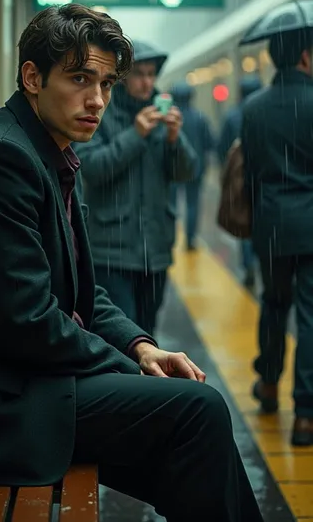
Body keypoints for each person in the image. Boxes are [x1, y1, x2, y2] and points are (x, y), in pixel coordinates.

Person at [0, 5, 263, 521]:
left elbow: (83, 294)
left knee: (191, 433)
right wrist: (128, 369)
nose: (96, 99)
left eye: (105, 83)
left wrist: (141, 347)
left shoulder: (43, 152)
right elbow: (27, 324)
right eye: (79, 79)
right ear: (32, 77)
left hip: (25, 384)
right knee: (198, 412)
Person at [75, 40, 197, 334]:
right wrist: (136, 134)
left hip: (155, 248)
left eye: (151, 74)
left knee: (148, 329)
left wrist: (174, 139)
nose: (147, 82)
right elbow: (92, 168)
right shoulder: (100, 112)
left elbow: (186, 172)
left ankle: (143, 380)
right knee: (122, 333)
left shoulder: (163, 114)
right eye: (140, 74)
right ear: (123, 78)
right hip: (111, 249)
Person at [242, 30, 313, 446]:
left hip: (271, 226)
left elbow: (249, 175)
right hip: (311, 227)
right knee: (310, 317)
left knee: (273, 304)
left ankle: (268, 385)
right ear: (304, 56)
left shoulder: (254, 108)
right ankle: (305, 415)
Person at [218, 76, 262, 287]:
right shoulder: (265, 110)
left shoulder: (232, 115)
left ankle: (248, 264)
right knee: (261, 220)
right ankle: (264, 260)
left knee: (244, 220)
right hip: (264, 177)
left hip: (240, 178)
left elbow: (222, 148)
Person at [170, 81, 215, 251]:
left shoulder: (169, 118)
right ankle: (190, 240)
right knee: (192, 204)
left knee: (171, 206)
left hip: (173, 169)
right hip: (195, 169)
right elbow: (210, 143)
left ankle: (171, 240)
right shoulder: (200, 117)